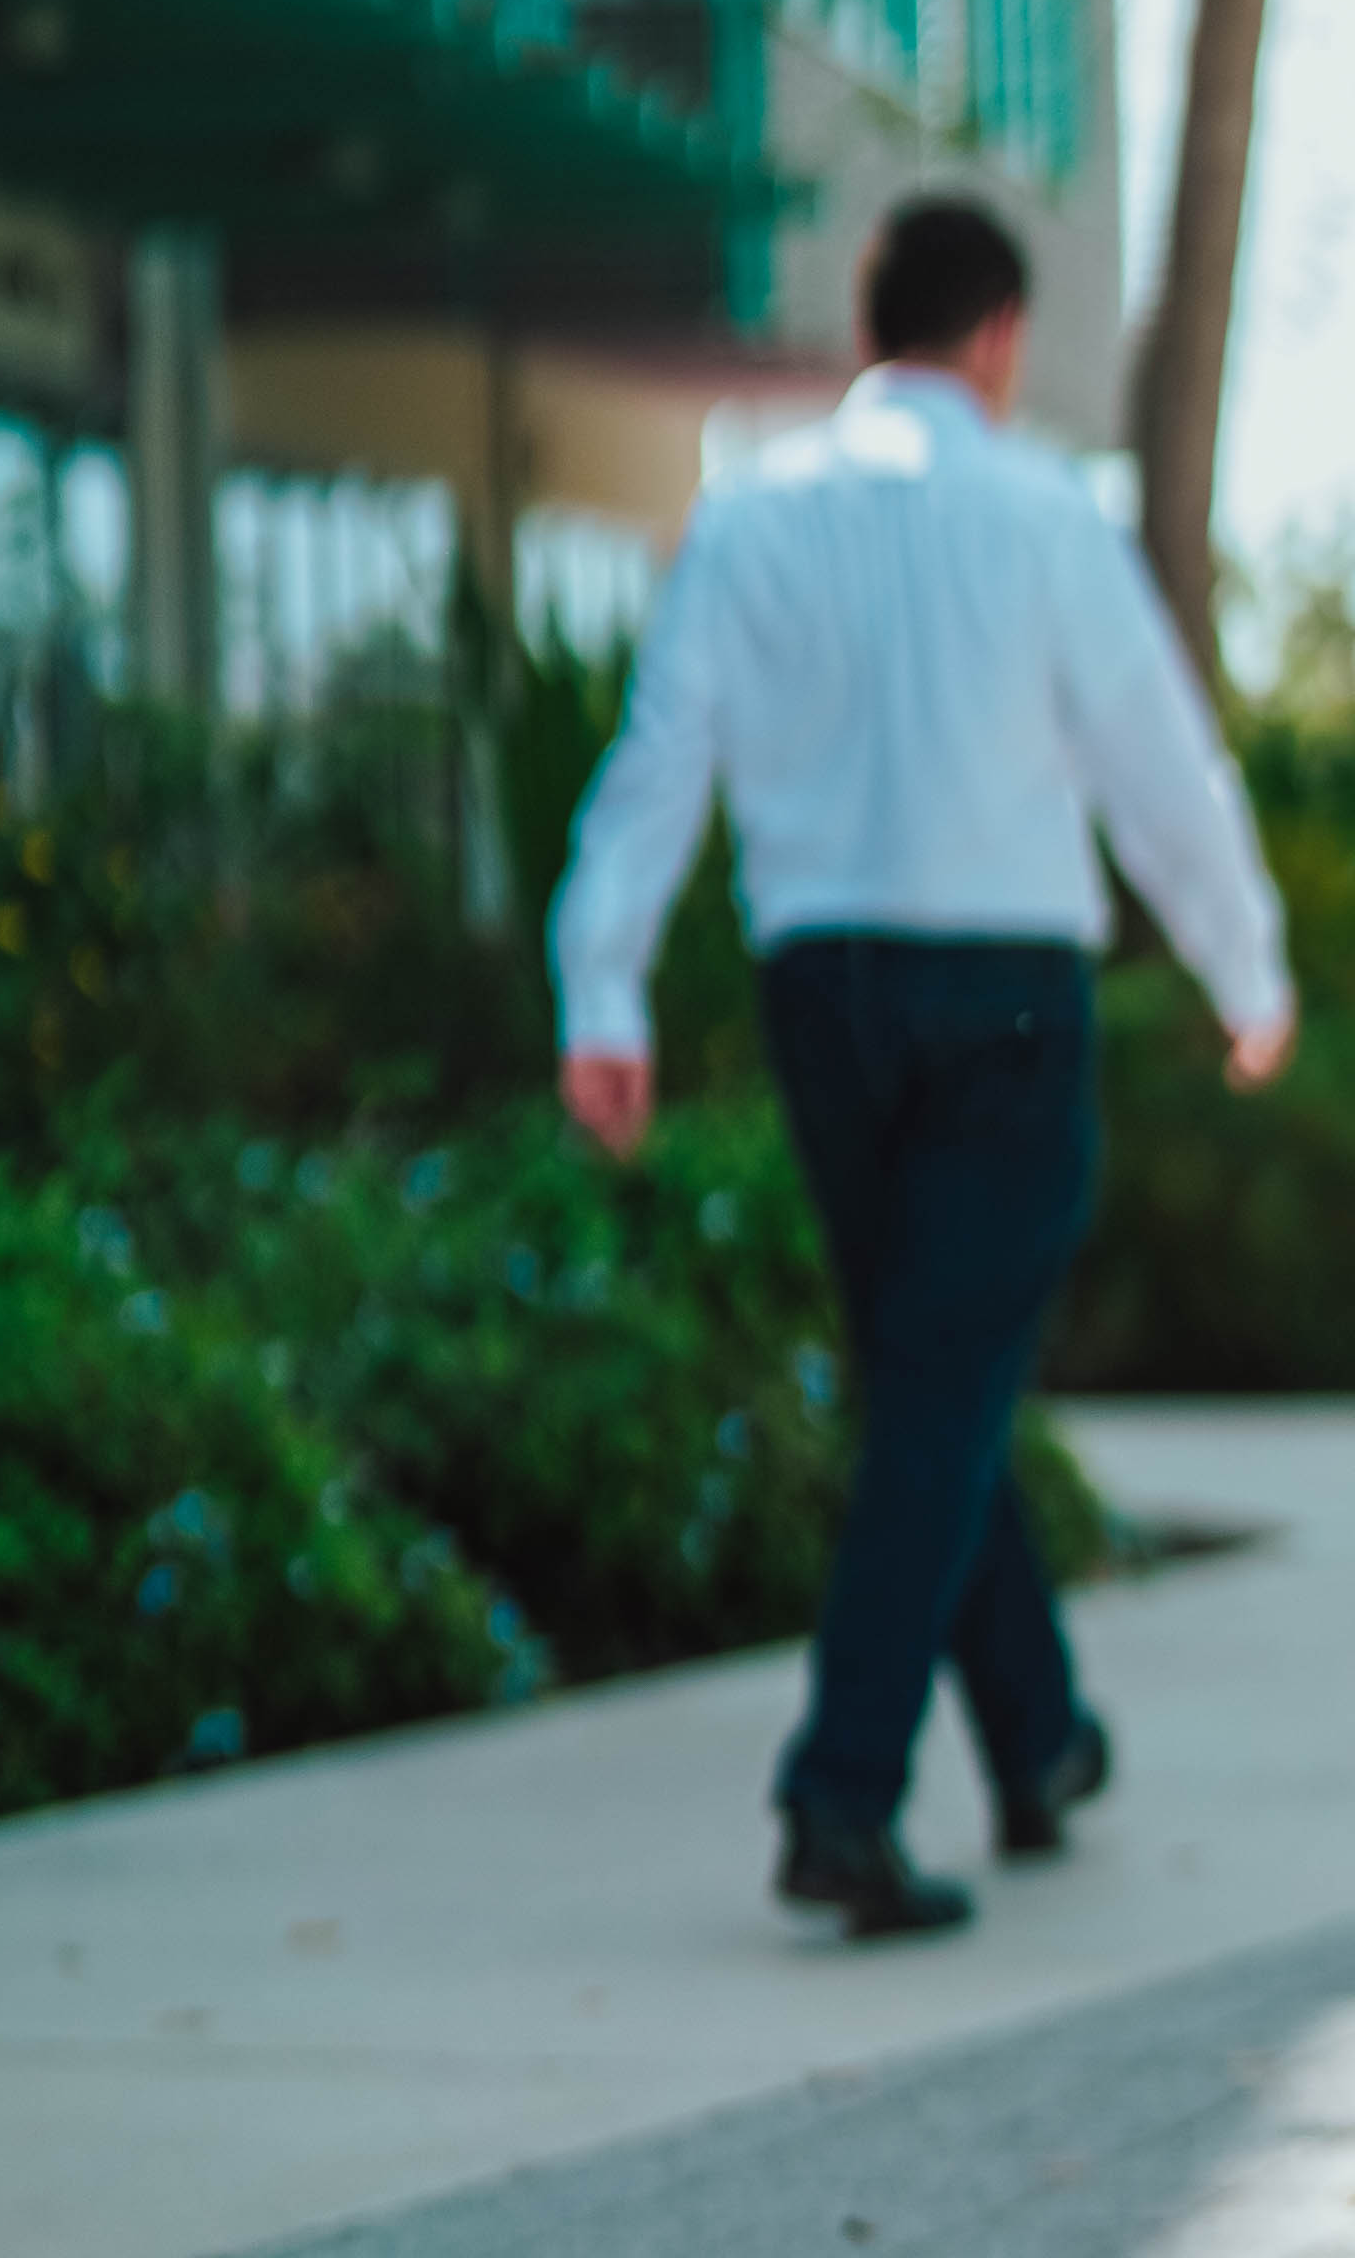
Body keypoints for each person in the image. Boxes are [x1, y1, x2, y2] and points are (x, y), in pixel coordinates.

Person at [549, 193, 1293, 1939]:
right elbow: (1159, 768)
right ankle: (843, 1795)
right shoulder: (1044, 517)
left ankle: (1038, 1740)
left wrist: (607, 993)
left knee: (930, 1377)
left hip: (825, 996)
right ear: (1002, 338)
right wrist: (1242, 968)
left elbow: (659, 763)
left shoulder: (750, 523)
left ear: (870, 329)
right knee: (947, 1382)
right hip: (1011, 1003)